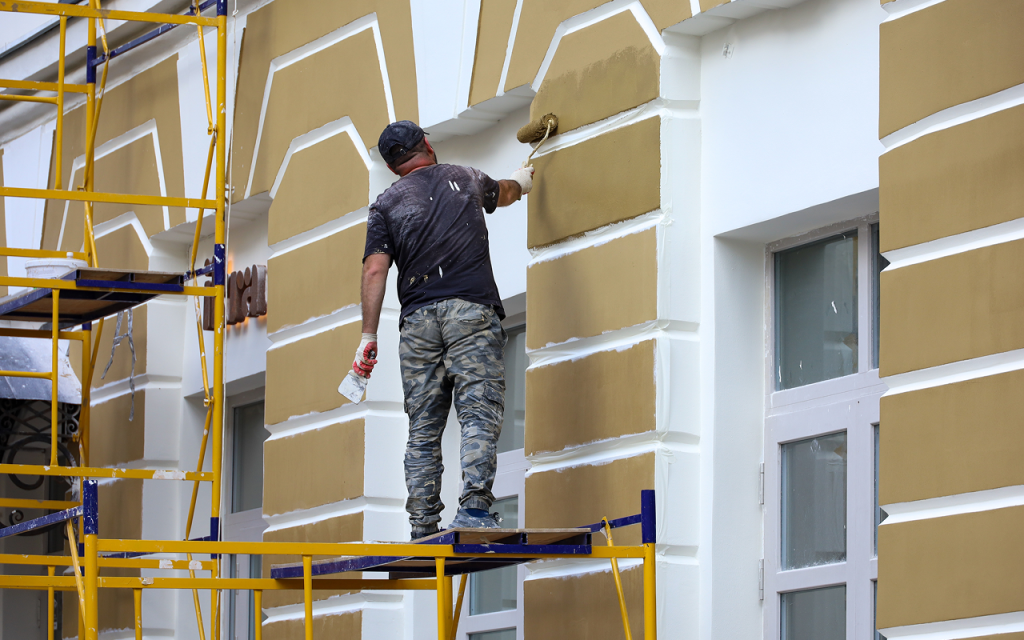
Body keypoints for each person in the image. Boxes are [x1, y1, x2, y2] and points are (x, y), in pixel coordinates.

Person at [352, 121, 534, 539]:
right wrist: (523, 182)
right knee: (478, 410)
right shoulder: (464, 178)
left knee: (423, 426)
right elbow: (503, 192)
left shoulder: (384, 206)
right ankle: (472, 507)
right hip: (469, 312)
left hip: (417, 325)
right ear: (427, 145)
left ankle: (422, 526)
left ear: (391, 165)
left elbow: (375, 267)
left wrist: (368, 335)